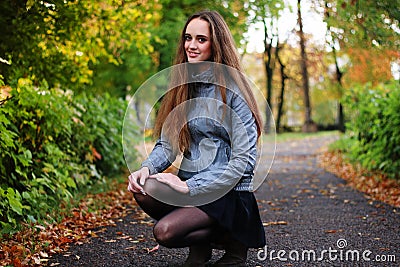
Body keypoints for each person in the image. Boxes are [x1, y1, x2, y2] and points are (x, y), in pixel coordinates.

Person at [128, 10, 266, 266]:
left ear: (217, 44)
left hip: (228, 191)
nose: (191, 45)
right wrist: (146, 168)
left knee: (165, 232)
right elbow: (167, 145)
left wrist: (189, 186)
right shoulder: (184, 88)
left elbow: (244, 164)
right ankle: (200, 249)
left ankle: (234, 241)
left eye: (201, 39)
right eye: (188, 38)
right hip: (194, 186)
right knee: (144, 189)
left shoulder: (234, 93)